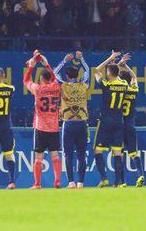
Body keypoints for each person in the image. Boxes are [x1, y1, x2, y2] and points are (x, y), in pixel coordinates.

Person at [23, 50, 62, 189]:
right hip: (54, 128)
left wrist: (31, 66)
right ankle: (57, 181)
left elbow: (26, 81)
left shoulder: (38, 89)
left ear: (41, 79)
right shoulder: (57, 87)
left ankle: (37, 183)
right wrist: (46, 64)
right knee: (55, 155)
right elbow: (55, 78)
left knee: (39, 157)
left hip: (41, 127)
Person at [53, 51, 91, 189]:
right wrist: (81, 59)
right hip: (82, 123)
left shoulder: (63, 86)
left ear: (67, 76)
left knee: (68, 154)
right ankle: (81, 182)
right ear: (77, 75)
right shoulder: (83, 85)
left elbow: (53, 73)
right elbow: (88, 71)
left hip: (68, 124)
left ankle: (71, 182)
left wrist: (65, 60)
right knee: (81, 154)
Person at [92, 50, 129, 187]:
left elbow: (96, 70)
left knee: (98, 150)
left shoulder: (106, 85)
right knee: (118, 152)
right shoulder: (124, 84)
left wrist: (110, 59)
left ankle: (104, 178)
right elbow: (116, 76)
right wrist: (116, 65)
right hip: (119, 122)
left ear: (108, 74)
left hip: (105, 122)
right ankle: (118, 182)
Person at [118, 53, 145, 187]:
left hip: (119, 126)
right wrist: (125, 66)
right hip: (130, 125)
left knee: (119, 154)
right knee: (134, 153)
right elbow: (134, 77)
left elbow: (113, 77)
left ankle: (122, 182)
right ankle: (140, 175)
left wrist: (119, 64)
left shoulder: (117, 90)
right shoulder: (134, 90)